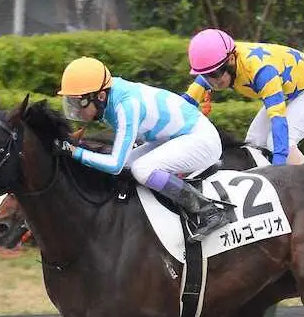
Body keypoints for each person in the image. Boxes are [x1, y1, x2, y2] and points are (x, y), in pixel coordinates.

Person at [57, 57, 228, 241]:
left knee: (141, 169)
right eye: (71, 103)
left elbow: (114, 164)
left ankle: (208, 211)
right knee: (129, 166)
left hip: (201, 140)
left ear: (100, 96)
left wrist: (77, 153)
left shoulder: (126, 105)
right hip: (176, 137)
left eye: (79, 103)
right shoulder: (108, 97)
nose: (76, 111)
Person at [182, 28, 304, 166]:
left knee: (279, 143)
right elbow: (183, 105)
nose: (211, 81)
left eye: (214, 74)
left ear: (231, 60)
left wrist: (279, 170)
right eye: (204, 75)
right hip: (291, 88)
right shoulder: (216, 69)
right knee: (254, 143)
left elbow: (278, 120)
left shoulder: (262, 72)